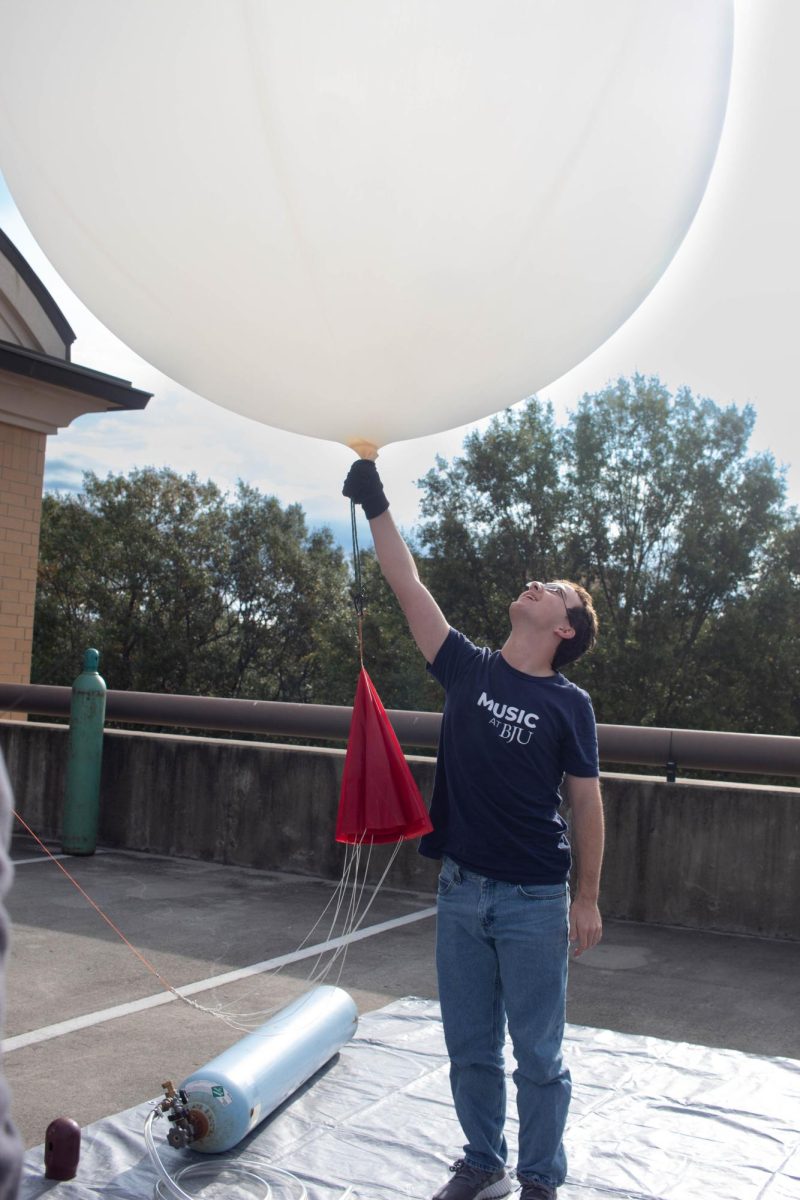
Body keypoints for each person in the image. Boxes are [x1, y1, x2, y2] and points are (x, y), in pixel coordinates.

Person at [343, 459, 604, 1200]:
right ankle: (482, 1160)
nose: (537, 583)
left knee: (540, 1056)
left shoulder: (568, 704)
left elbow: (586, 803)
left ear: (563, 627)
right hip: (460, 890)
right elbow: (407, 586)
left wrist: (585, 897)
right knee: (469, 1049)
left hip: (533, 900)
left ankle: (541, 1179)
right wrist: (377, 506)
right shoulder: (467, 668)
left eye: (552, 589)